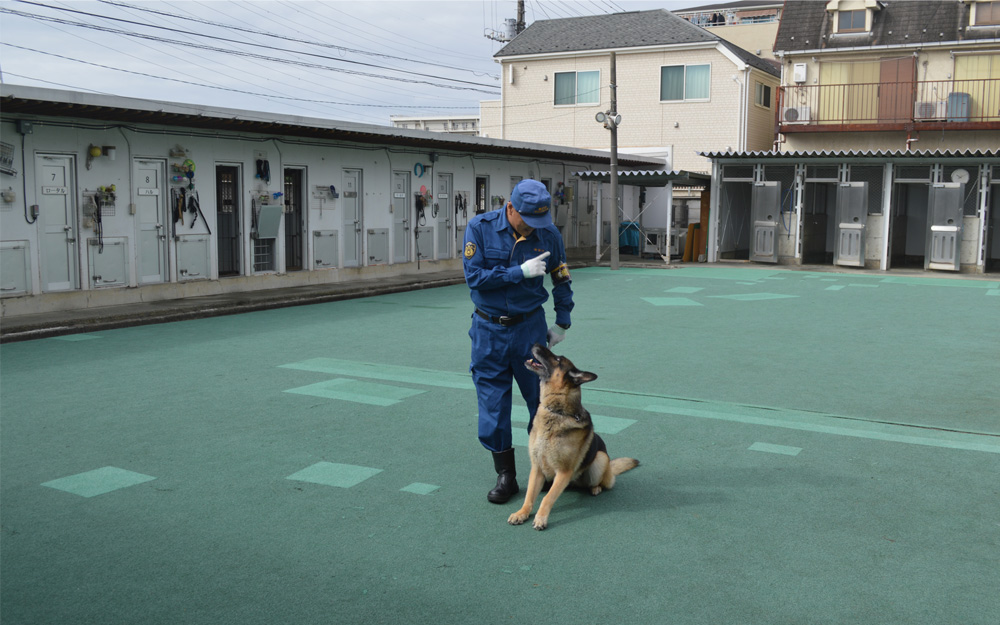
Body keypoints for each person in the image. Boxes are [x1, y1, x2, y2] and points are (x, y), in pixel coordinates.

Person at [462, 179, 574, 504]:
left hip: (530, 329)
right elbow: (474, 277)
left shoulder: (548, 234)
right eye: (528, 220)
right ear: (510, 208)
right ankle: (506, 476)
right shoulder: (479, 229)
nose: (533, 228)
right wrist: (518, 272)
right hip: (488, 331)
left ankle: (541, 467)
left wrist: (562, 321)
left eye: (539, 221)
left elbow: (561, 279)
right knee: (493, 405)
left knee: (541, 403)